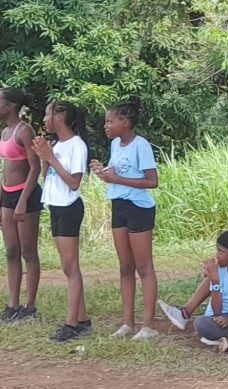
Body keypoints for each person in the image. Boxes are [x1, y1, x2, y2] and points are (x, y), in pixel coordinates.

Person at [93, 99, 165, 339]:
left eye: (110, 121)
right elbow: (117, 173)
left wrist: (116, 179)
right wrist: (103, 171)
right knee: (125, 267)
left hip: (138, 208)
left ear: (125, 122)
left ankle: (149, 325)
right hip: (119, 205)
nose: (106, 126)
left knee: (144, 267)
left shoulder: (140, 145)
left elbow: (152, 181)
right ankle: (128, 323)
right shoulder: (115, 144)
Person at [35, 99, 91, 342]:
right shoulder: (57, 144)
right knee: (67, 266)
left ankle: (72, 324)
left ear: (59, 116)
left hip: (69, 207)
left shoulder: (76, 145)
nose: (44, 120)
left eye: (47, 114)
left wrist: (51, 157)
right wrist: (43, 157)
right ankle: (82, 319)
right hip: (55, 205)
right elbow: (46, 176)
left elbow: (74, 183)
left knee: (71, 266)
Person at [0, 88, 44, 324]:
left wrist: (23, 200)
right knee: (11, 250)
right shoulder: (5, 132)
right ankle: (12, 304)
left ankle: (29, 307)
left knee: (28, 251)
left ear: (10, 106)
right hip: (8, 196)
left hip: (26, 196)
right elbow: (6, 169)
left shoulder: (24, 130)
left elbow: (35, 167)